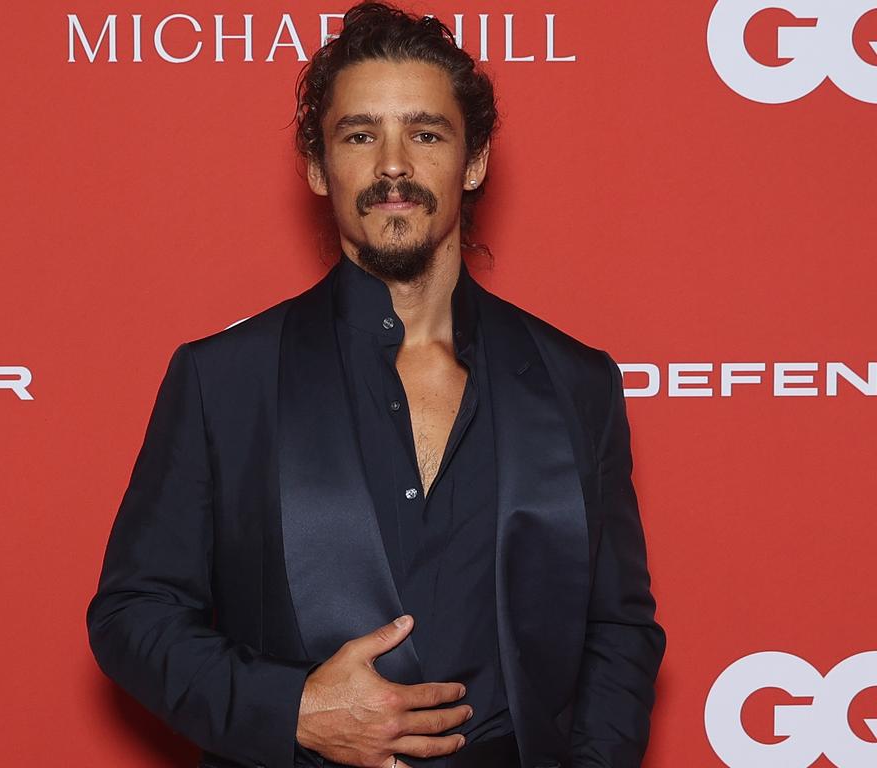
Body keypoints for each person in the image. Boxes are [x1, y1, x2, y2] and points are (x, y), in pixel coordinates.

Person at [86, 3, 665, 767]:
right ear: (320, 166)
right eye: (361, 135)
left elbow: (617, 629)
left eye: (425, 134)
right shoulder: (224, 379)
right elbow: (133, 613)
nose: (394, 165)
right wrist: (289, 709)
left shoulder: (575, 382)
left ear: (475, 159)